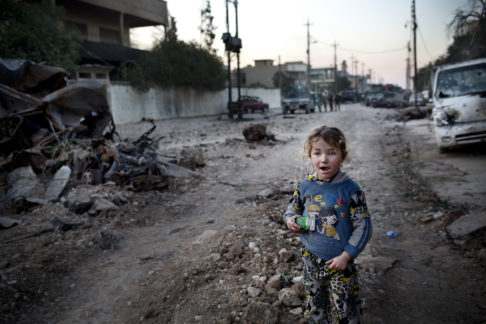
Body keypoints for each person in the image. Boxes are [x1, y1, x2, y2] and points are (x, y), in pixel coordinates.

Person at [283, 126, 372, 323]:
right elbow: (293, 208)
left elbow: (363, 226)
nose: (323, 159)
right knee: (316, 304)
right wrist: (290, 219)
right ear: (310, 155)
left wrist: (347, 255)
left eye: (331, 153)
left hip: (340, 261)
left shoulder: (351, 190)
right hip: (310, 257)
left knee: (346, 306)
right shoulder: (305, 184)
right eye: (317, 153)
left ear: (343, 156)